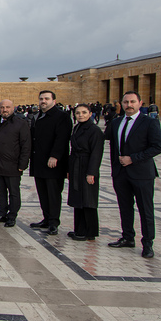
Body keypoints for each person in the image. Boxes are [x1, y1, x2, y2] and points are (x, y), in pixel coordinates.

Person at [106, 91, 161, 258]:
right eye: (125, 102)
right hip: (121, 173)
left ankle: (147, 243)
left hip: (141, 173)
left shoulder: (149, 122)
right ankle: (127, 237)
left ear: (140, 103)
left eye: (132, 102)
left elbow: (157, 147)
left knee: (145, 209)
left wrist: (133, 159)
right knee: (124, 207)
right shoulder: (116, 122)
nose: (129, 105)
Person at [29, 90, 72, 236]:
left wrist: (55, 156)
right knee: (42, 192)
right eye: (41, 99)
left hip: (53, 163)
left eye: (46, 99)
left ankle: (54, 222)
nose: (43, 101)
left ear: (53, 100)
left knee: (53, 193)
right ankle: (46, 218)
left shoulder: (62, 116)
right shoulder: (39, 115)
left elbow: (62, 138)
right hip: (39, 161)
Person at [0, 99, 30, 227]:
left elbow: (26, 145)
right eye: (2, 107)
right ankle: (1, 213)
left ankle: (12, 216)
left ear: (13, 108)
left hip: (13, 165)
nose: (5, 110)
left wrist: (23, 164)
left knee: (13, 192)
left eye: (7, 107)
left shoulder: (21, 124)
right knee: (0, 191)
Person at [66, 103, 104, 241]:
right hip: (76, 166)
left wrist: (91, 173)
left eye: (83, 112)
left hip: (87, 166)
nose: (80, 115)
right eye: (78, 113)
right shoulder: (77, 128)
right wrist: (69, 170)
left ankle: (90, 231)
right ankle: (79, 229)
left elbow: (96, 153)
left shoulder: (94, 131)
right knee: (78, 198)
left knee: (88, 200)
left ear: (90, 114)